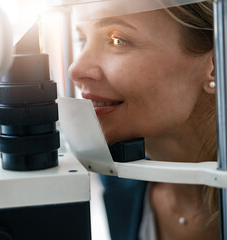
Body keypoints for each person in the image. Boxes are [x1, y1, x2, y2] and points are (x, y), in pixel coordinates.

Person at [68, 1, 219, 239]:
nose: (75, 70)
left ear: (216, 65)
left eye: (117, 40)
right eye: (82, 40)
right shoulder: (116, 182)